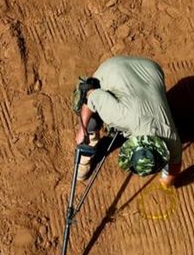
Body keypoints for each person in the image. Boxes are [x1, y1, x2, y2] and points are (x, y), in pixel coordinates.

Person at [72, 56, 182, 187]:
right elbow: (92, 96)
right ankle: (88, 147)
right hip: (115, 69)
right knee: (90, 118)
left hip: (150, 69)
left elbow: (175, 163)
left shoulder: (172, 139)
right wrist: (82, 129)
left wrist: (167, 181)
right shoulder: (117, 115)